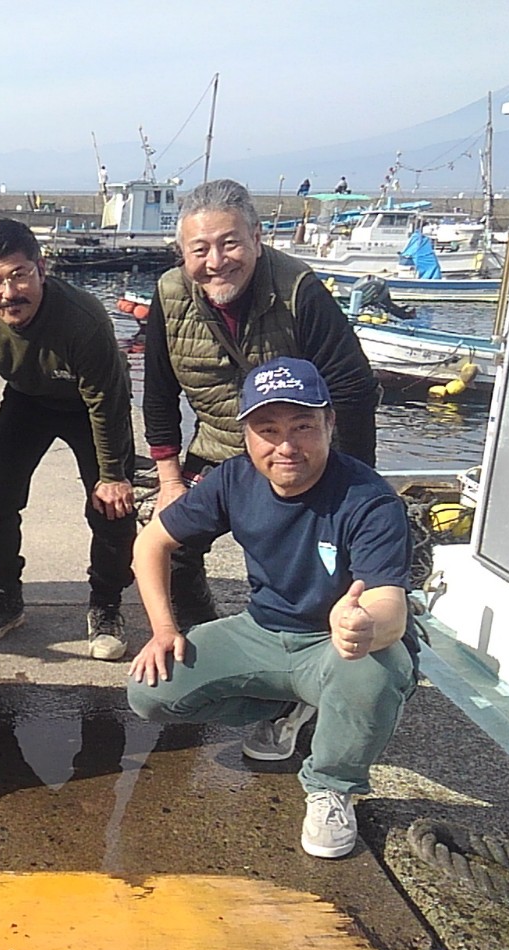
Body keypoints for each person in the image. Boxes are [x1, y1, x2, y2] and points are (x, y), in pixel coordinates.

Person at [126, 357, 418, 860]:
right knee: (151, 691)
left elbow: (390, 601)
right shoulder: (232, 480)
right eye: (268, 430)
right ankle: (288, 708)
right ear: (245, 435)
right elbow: (151, 543)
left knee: (374, 671)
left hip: (336, 646)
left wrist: (365, 624)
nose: (286, 446)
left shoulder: (370, 499)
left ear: (329, 424)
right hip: (262, 630)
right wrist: (163, 628)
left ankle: (332, 786)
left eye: (303, 426)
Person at [143, 178, 382, 628]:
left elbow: (351, 390)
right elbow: (158, 393)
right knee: (172, 544)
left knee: (325, 552)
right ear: (183, 254)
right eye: (200, 250)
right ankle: (198, 630)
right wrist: (170, 481)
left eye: (230, 244)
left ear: (256, 238)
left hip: (294, 446)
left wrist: (352, 481)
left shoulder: (300, 290)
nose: (216, 262)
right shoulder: (169, 294)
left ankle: (322, 631)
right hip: (218, 444)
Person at [0, 218, 137, 661]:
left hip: (90, 406)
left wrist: (113, 474)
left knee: (110, 508)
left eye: (19, 276)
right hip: (28, 400)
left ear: (41, 269)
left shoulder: (82, 318)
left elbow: (107, 402)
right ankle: (5, 598)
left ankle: (107, 604)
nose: (9, 293)